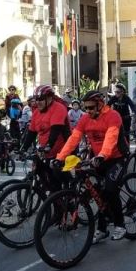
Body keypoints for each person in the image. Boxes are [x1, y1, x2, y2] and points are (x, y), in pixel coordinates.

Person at [53, 90, 128, 242]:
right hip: (98, 159)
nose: (88, 111)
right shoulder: (85, 118)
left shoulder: (113, 116)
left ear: (100, 104)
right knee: (98, 193)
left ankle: (120, 225)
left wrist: (102, 155)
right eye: (86, 108)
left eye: (91, 107)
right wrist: (60, 157)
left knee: (110, 189)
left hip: (116, 157)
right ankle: (102, 229)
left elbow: (111, 138)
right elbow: (74, 138)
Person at [21, 85, 70, 160]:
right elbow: (32, 133)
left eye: (40, 99)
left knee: (57, 171)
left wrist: (49, 145)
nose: (38, 102)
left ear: (49, 98)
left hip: (61, 152)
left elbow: (55, 131)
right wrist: (24, 148)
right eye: (36, 99)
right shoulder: (37, 112)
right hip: (44, 153)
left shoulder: (58, 108)